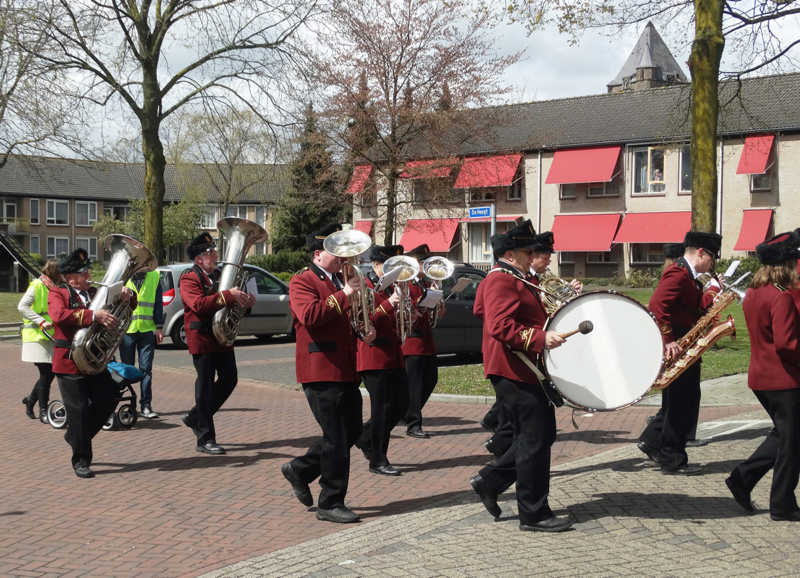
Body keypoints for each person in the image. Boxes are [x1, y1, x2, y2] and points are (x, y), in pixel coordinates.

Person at [468, 220, 572, 533]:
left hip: (521, 368)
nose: (533, 256)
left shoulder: (511, 277)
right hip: (515, 369)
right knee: (534, 441)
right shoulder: (502, 279)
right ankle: (533, 513)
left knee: (540, 436)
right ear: (511, 253)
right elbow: (498, 325)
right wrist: (541, 338)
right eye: (528, 251)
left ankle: (491, 481)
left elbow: (479, 310)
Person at [281, 223, 377, 524]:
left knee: (350, 432)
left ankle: (301, 469)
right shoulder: (303, 281)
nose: (343, 258)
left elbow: (348, 320)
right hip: (320, 370)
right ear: (318, 254)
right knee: (336, 438)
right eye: (336, 253)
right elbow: (311, 316)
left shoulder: (340, 279)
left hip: (346, 368)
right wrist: (346, 293)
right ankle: (330, 501)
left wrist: (366, 330)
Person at [726, 232, 800, 521]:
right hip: (784, 381)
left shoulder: (756, 292)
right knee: (791, 445)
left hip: (761, 377)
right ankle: (782, 504)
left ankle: (742, 479)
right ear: (786, 264)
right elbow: (786, 344)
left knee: (784, 436)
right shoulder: (780, 297)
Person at [637, 231, 722, 475]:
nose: (712, 263)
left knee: (685, 399)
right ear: (701, 252)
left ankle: (658, 444)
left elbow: (691, 305)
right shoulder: (679, 272)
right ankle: (672, 459)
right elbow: (656, 305)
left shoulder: (690, 275)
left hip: (686, 341)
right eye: (712, 257)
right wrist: (668, 340)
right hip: (678, 343)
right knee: (679, 403)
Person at [49, 248, 136, 478]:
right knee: (77, 411)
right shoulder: (58, 293)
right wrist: (92, 316)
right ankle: (81, 460)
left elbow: (128, 308)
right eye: (83, 272)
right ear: (70, 278)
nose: (89, 275)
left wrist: (128, 295)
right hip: (69, 362)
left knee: (107, 401)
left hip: (95, 361)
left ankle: (77, 436)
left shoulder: (98, 293)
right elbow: (59, 316)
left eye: (88, 271)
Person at [179, 232, 254, 455]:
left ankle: (195, 416)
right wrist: (228, 296)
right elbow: (198, 304)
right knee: (204, 386)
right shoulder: (189, 277)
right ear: (199, 259)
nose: (215, 255)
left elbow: (234, 304)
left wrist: (246, 302)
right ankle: (205, 438)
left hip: (221, 337)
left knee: (230, 379)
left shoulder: (222, 275)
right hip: (202, 337)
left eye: (214, 252)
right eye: (210, 253)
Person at [354, 244, 409, 476]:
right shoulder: (364, 286)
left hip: (392, 353)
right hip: (374, 354)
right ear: (376, 264)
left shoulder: (389, 287)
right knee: (383, 409)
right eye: (388, 266)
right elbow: (364, 319)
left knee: (402, 404)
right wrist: (389, 304)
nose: (393, 271)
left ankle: (365, 436)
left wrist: (409, 313)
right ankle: (378, 459)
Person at [401, 244, 445, 438]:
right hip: (412, 341)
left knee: (431, 379)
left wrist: (440, 306)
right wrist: (421, 303)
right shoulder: (405, 283)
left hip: (426, 341)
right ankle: (413, 423)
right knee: (415, 385)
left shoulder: (425, 284)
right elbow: (406, 307)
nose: (425, 266)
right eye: (422, 262)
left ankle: (407, 413)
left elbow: (438, 312)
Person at [19, 260, 63, 424]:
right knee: (47, 373)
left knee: (49, 373)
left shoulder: (55, 287)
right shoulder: (37, 285)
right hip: (36, 336)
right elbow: (22, 306)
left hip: (50, 336)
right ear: (53, 272)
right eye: (61, 272)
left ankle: (30, 400)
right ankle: (43, 411)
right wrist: (41, 321)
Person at [120, 269, 164, 419]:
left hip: (147, 330)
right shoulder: (123, 276)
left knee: (146, 369)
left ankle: (146, 406)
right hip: (127, 330)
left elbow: (158, 303)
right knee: (127, 370)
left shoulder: (155, 276)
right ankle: (127, 406)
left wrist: (159, 327)